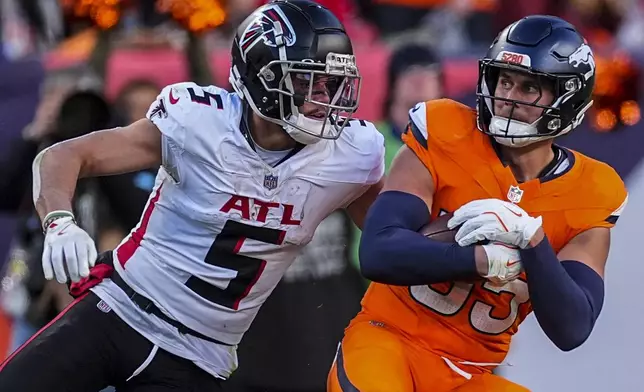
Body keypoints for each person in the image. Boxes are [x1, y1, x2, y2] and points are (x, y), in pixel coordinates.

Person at [0, 1, 384, 391]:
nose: (325, 97)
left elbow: (393, 236)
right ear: (262, 78)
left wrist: (448, 231)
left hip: (197, 357)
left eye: (332, 83)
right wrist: (60, 223)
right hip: (119, 309)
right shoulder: (200, 121)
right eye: (307, 81)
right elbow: (63, 155)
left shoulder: (351, 155)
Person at [328, 15, 628, 391]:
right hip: (389, 339)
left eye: (528, 88)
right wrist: (480, 260)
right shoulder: (445, 130)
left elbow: (573, 327)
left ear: (567, 98)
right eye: (505, 81)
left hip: (471, 373)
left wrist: (531, 240)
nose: (508, 98)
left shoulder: (592, 190)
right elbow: (377, 250)